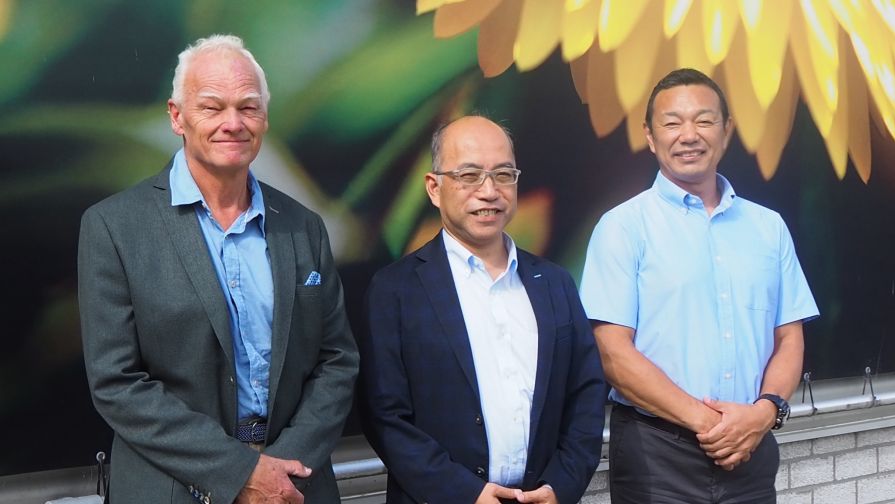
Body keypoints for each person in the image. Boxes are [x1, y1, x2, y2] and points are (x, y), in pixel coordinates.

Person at [78, 34, 358, 504]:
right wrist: (240, 472)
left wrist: (283, 471)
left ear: (265, 118)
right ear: (176, 116)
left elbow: (337, 360)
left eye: (248, 108)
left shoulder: (304, 226)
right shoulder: (112, 227)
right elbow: (116, 382)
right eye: (212, 107)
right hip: (172, 487)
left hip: (295, 486)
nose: (233, 123)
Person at [579, 68, 819, 503]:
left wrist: (762, 415)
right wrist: (712, 425)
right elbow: (612, 352)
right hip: (658, 455)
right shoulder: (621, 228)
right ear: (650, 136)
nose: (688, 135)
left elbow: (789, 338)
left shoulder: (769, 227)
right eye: (672, 123)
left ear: (726, 131)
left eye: (704, 120)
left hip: (752, 448)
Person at [358, 115, 606, 504]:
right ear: (434, 188)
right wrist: (465, 494)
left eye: (503, 174)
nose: (489, 191)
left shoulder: (554, 282)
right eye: (469, 175)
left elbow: (586, 394)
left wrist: (559, 486)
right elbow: (384, 416)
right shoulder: (396, 290)